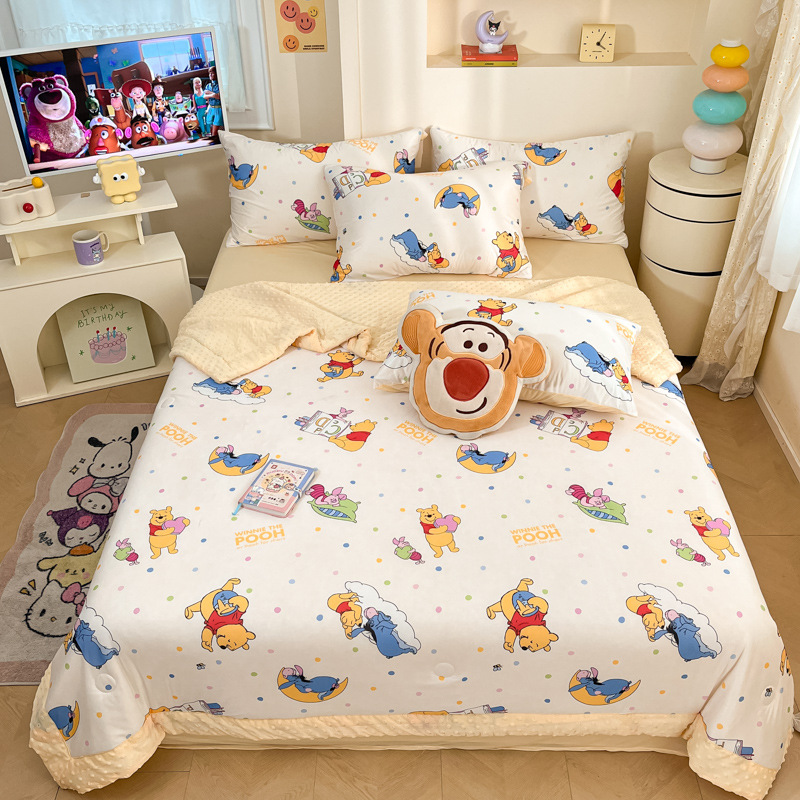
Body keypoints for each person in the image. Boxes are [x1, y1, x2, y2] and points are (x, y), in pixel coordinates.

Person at [203, 64, 222, 140]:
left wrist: (210, 94)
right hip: (211, 108)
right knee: (210, 126)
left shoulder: (219, 85)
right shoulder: (208, 85)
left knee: (215, 129)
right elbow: (204, 96)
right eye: (209, 73)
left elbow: (218, 96)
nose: (210, 74)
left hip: (218, 109)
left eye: (212, 73)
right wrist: (213, 94)